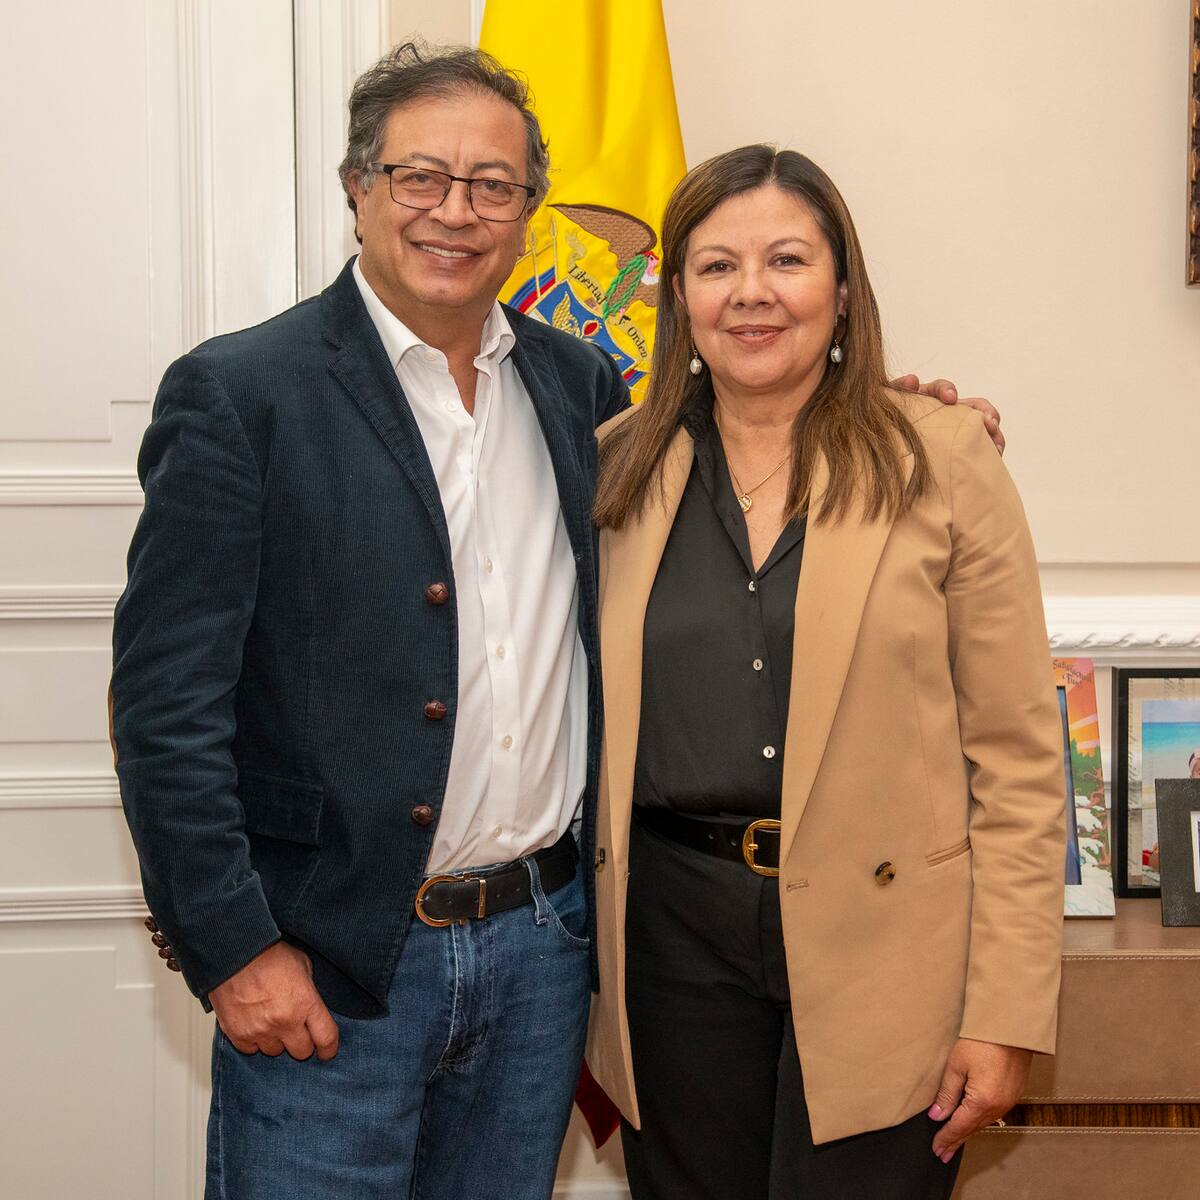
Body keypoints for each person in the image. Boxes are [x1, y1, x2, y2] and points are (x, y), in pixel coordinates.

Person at [111, 40, 998, 1199]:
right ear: (357, 188)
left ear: (531, 210)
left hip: (544, 958)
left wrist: (899, 403)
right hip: (335, 970)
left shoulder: (584, 394)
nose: (455, 212)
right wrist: (234, 947)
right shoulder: (242, 396)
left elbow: (761, 430)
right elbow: (165, 708)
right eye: (420, 176)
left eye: (494, 185)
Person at [586, 145, 1065, 1200]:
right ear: (678, 297)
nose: (751, 293)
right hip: (670, 950)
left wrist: (1006, 1011)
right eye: (716, 267)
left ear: (843, 291)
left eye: (787, 261)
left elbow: (1021, 762)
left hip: (889, 955)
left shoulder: (940, 456)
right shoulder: (615, 465)